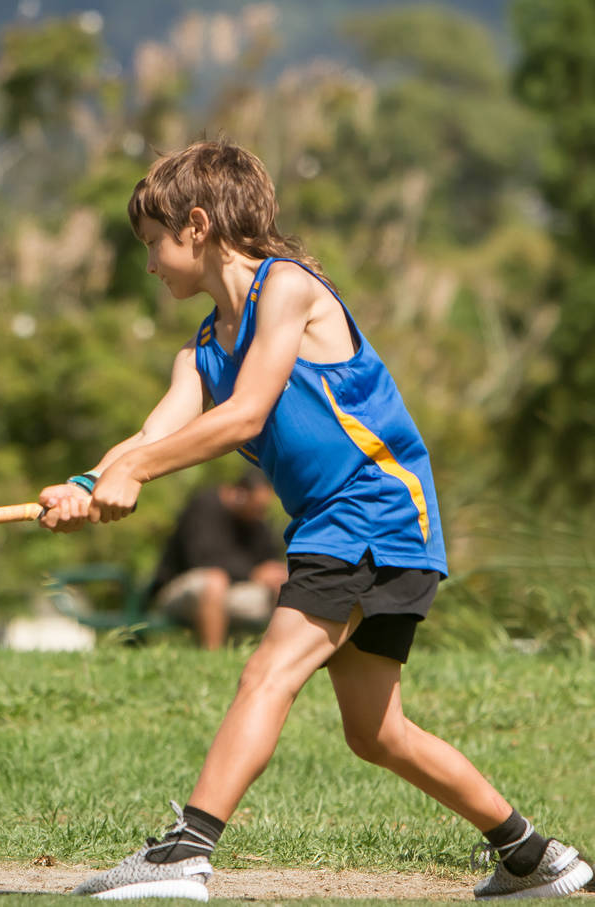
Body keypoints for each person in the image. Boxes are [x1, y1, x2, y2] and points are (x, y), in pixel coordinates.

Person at [37, 139, 591, 901]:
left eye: (154, 244)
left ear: (196, 225)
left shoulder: (290, 289)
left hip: (373, 509)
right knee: (376, 732)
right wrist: (85, 482)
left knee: (269, 669)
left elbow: (245, 415)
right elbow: (152, 434)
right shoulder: (198, 351)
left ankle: (187, 850)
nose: (150, 264)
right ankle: (537, 858)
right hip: (353, 525)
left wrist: (133, 471)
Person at [149, 469, 286, 649]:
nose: (260, 514)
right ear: (240, 494)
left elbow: (267, 561)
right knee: (214, 581)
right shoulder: (205, 506)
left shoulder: (256, 519)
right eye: (257, 508)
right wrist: (253, 572)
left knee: (286, 582)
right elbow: (200, 559)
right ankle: (213, 659)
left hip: (234, 594)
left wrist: (274, 574)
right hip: (181, 592)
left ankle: (278, 656)